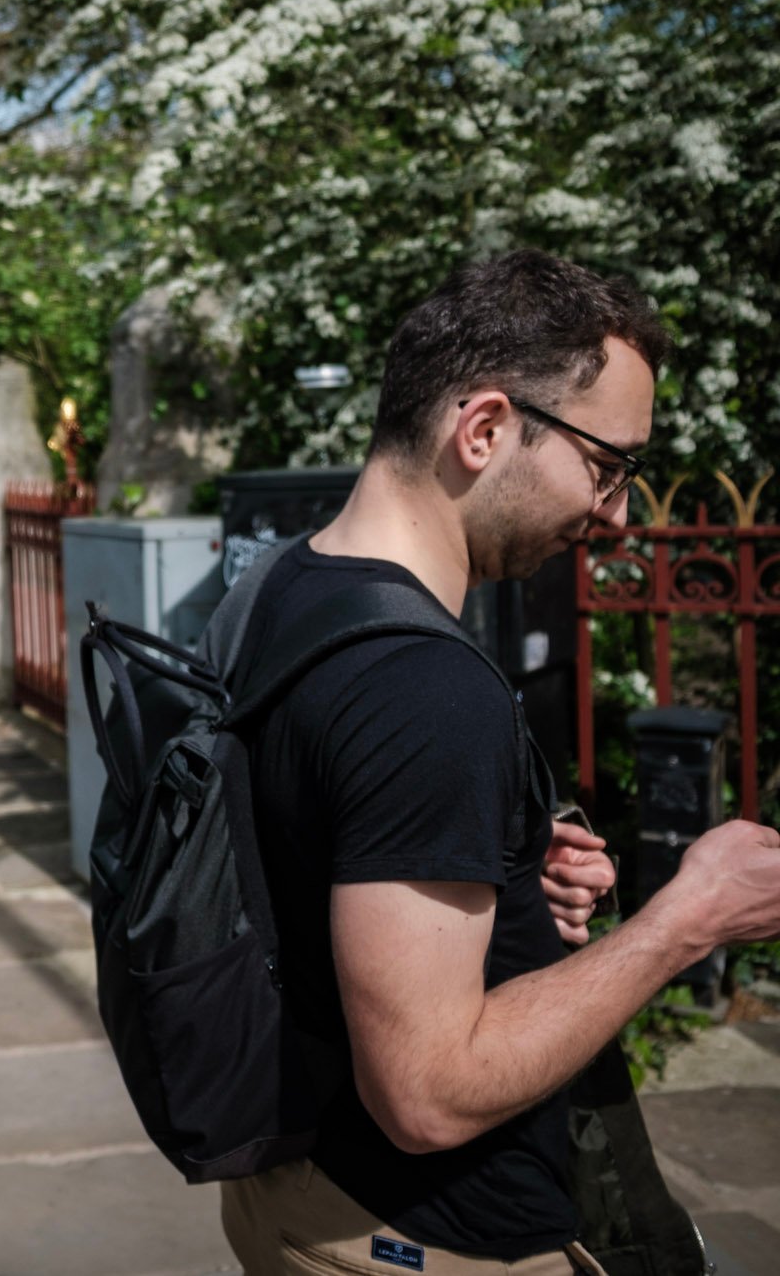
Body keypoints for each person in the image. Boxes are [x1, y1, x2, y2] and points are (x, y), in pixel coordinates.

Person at [217, 250, 780, 1272]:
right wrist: (686, 919)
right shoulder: (421, 688)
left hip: (295, 1184)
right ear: (482, 429)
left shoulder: (280, 586)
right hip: (424, 1235)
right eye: (607, 465)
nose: (616, 512)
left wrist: (505, 861)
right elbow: (428, 1091)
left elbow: (311, 831)